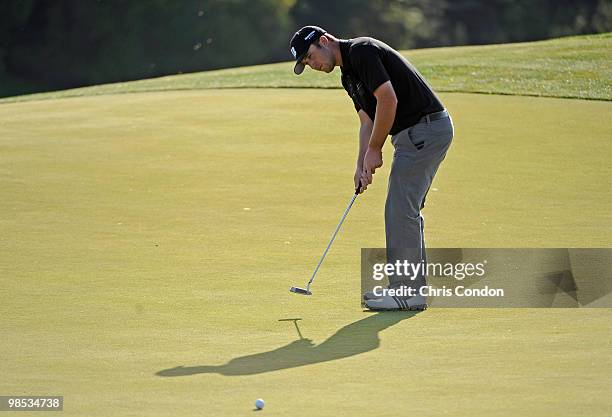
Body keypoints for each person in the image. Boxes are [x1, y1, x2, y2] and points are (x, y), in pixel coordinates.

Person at [289, 26, 453, 311]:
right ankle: (408, 288)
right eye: (305, 63)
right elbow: (367, 122)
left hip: (424, 129)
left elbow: (388, 99)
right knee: (404, 209)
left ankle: (408, 292)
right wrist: (361, 163)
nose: (311, 64)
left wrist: (375, 149)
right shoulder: (348, 76)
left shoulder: (362, 50)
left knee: (400, 209)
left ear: (324, 41)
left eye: (310, 56)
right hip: (415, 133)